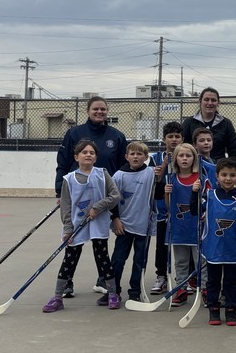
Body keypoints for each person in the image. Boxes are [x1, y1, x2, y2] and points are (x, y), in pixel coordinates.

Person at [54, 95, 127, 298]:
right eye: (95, 109)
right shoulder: (74, 133)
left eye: (103, 109)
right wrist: (60, 190)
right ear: (88, 111)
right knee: (73, 240)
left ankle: (104, 280)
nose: (99, 112)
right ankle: (66, 283)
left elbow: (123, 167)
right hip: (78, 198)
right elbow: (62, 163)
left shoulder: (117, 136)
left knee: (100, 242)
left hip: (105, 198)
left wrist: (114, 209)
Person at [43, 139, 121, 313]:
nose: (88, 155)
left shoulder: (102, 174)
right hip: (77, 224)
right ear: (76, 157)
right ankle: (57, 297)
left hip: (98, 223)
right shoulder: (69, 179)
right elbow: (65, 205)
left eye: (92, 153)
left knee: (102, 257)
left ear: (96, 157)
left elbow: (115, 196)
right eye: (84, 152)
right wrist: (68, 228)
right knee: (69, 259)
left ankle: (112, 293)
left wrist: (98, 207)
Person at [194, 157, 236, 326]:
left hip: (234, 248)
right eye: (224, 174)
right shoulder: (209, 195)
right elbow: (194, 211)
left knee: (231, 282)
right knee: (213, 281)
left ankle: (231, 310)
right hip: (214, 248)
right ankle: (213, 309)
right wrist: (194, 193)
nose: (228, 178)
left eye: (232, 175)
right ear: (217, 176)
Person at [110, 142, 157, 302]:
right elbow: (112, 200)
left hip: (143, 227)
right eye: (132, 154)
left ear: (146, 157)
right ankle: (113, 291)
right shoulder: (118, 176)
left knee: (139, 261)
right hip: (124, 226)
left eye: (139, 154)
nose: (136, 157)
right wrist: (115, 219)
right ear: (126, 156)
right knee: (118, 260)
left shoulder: (151, 173)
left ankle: (135, 291)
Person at [164, 143, 202, 307]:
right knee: (180, 262)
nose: (185, 159)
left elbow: (207, 201)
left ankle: (205, 290)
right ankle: (181, 290)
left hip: (196, 227)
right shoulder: (171, 178)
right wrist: (166, 193)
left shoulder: (200, 177)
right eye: (181, 155)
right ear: (175, 159)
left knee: (201, 262)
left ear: (194, 158)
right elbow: (168, 205)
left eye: (188, 155)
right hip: (179, 227)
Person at [150, 121, 182, 295]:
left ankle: (185, 277)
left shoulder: (186, 155)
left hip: (182, 209)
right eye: (170, 136)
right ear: (164, 139)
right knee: (162, 245)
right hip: (163, 209)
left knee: (184, 245)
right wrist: (164, 164)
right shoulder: (156, 158)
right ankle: (161, 275)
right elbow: (153, 183)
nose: (174, 140)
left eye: (177, 136)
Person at [182, 87, 236, 160]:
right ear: (200, 101)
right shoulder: (189, 122)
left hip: (219, 165)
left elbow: (233, 150)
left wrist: (231, 165)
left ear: (218, 103)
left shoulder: (226, 123)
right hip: (195, 164)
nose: (210, 103)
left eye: (213, 100)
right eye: (206, 99)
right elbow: (183, 146)